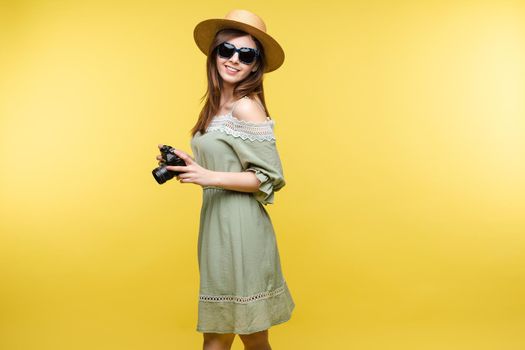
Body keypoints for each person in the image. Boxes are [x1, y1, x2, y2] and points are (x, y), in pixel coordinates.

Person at [157, 9, 295, 350]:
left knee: (249, 334)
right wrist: (191, 164)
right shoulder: (217, 106)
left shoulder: (247, 107)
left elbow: (268, 178)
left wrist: (205, 176)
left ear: (254, 65)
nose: (234, 60)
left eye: (246, 55)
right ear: (214, 52)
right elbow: (226, 163)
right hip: (216, 227)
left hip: (243, 229)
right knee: (220, 332)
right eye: (227, 50)